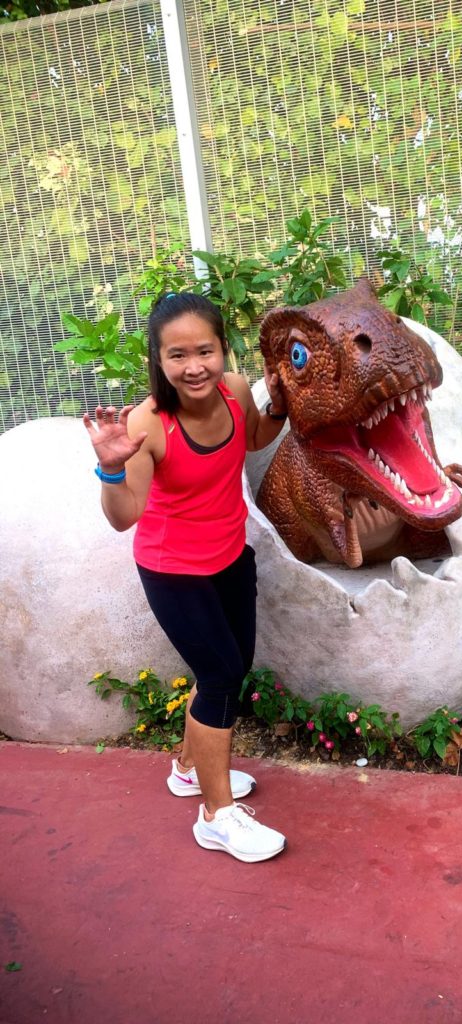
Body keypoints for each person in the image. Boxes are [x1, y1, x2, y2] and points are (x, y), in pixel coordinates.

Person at [83, 292, 288, 863]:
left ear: (223, 349)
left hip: (230, 556)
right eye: (178, 355)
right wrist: (111, 469)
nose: (194, 366)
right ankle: (217, 816)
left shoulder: (237, 390)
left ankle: (188, 770)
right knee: (220, 678)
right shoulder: (148, 423)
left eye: (205, 351)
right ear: (159, 359)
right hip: (173, 569)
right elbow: (125, 516)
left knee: (228, 668)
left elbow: (252, 438)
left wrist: (279, 406)